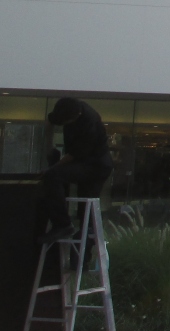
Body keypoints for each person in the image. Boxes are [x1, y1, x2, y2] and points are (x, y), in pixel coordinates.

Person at [39, 98, 114, 244]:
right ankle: (74, 229)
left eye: (67, 122)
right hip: (82, 160)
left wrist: (52, 168)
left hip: (96, 165)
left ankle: (63, 225)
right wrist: (49, 147)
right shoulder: (64, 111)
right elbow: (50, 123)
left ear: (76, 116)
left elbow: (73, 155)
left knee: (54, 176)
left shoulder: (90, 123)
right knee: (83, 208)